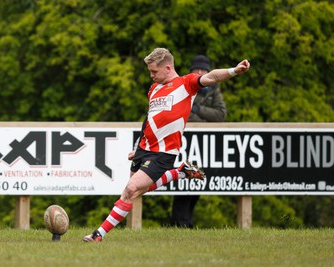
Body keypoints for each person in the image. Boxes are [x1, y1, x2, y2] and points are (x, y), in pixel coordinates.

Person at [83, 48, 250, 242]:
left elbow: (211, 77)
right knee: (134, 191)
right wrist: (137, 146)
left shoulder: (186, 84)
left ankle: (98, 235)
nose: (151, 76)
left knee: (130, 190)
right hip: (144, 149)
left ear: (168, 67)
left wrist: (234, 70)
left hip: (163, 152)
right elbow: (149, 119)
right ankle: (180, 172)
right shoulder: (153, 89)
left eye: (154, 72)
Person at [171, 54, 227, 228]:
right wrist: (200, 116)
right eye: (197, 69)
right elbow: (180, 113)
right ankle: (179, 223)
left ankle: (186, 222)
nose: (200, 72)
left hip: (202, 147)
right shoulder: (185, 87)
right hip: (181, 143)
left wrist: (198, 109)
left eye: (203, 69)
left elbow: (221, 115)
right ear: (191, 71)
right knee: (181, 183)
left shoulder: (213, 90)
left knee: (196, 183)